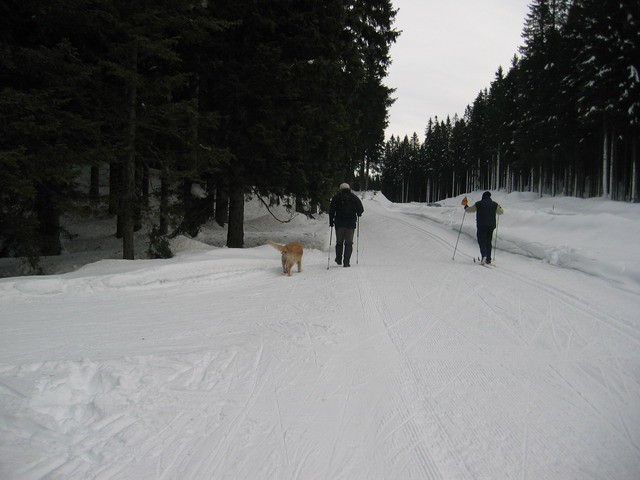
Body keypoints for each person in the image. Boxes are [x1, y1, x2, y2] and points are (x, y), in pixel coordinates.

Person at [329, 183, 364, 267]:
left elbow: (331, 210)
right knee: (349, 243)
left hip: (339, 224)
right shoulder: (354, 197)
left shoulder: (336, 197)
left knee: (339, 242)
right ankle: (346, 262)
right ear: (349, 188)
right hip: (350, 224)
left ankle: (338, 259)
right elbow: (361, 209)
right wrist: (358, 214)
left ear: (341, 189)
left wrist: (331, 221)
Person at [464, 191, 504, 264]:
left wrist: (466, 207)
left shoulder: (479, 203)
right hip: (491, 226)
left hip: (481, 225)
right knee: (489, 241)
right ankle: (488, 259)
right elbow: (501, 212)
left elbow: (470, 210)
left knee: (482, 240)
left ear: (483, 196)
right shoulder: (495, 204)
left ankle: (484, 256)